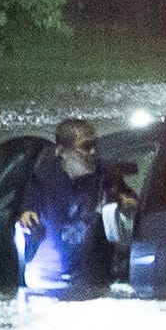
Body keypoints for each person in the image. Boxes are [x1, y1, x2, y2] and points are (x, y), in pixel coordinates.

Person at [13, 117, 126, 296]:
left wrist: (121, 204)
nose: (93, 152)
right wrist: (26, 215)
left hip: (90, 280)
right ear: (62, 151)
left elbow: (131, 206)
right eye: (85, 146)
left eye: (95, 145)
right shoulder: (43, 176)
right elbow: (26, 207)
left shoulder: (106, 176)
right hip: (45, 277)